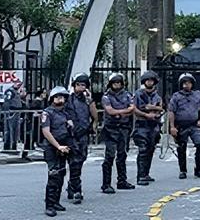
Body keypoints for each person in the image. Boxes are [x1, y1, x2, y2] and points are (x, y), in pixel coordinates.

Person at [64, 73, 97, 204]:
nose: (81, 87)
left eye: (83, 85)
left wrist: (90, 100)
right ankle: (76, 189)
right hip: (70, 135)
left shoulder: (87, 100)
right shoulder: (68, 99)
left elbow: (94, 116)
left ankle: (73, 186)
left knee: (79, 161)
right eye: (78, 85)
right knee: (74, 162)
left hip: (83, 134)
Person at [168, 73, 200, 180]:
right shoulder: (176, 96)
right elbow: (171, 111)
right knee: (181, 148)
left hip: (194, 125)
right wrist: (172, 127)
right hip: (181, 125)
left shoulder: (197, 94)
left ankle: (199, 169)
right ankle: (183, 170)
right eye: (184, 83)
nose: (187, 85)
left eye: (189, 83)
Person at [100, 73, 135, 193]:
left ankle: (122, 181)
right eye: (115, 83)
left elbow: (132, 109)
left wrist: (119, 113)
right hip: (111, 128)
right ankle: (106, 184)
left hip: (124, 127)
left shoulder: (127, 95)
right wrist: (122, 112)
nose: (117, 85)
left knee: (122, 155)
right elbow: (110, 111)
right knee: (109, 156)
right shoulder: (106, 97)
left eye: (119, 83)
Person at [40, 86, 72, 217]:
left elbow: (70, 128)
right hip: (52, 147)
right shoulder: (47, 113)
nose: (60, 99)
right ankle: (49, 205)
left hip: (64, 146)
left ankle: (56, 201)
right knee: (53, 175)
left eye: (62, 96)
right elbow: (46, 131)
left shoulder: (65, 113)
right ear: (52, 98)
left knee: (61, 173)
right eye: (57, 96)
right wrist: (58, 146)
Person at [133, 71, 163, 186]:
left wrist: (152, 109)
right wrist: (147, 113)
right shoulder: (139, 94)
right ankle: (140, 176)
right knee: (143, 150)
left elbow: (161, 108)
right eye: (147, 80)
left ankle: (146, 173)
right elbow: (135, 109)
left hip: (154, 126)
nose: (149, 82)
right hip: (142, 125)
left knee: (151, 149)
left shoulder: (156, 95)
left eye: (151, 80)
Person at [2, 78, 24, 152]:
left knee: (14, 130)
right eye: (18, 83)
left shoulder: (15, 91)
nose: (19, 85)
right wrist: (9, 112)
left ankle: (12, 146)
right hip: (12, 112)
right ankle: (10, 146)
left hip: (15, 112)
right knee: (11, 130)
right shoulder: (10, 91)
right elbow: (7, 102)